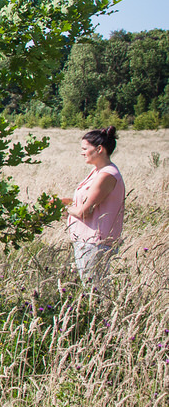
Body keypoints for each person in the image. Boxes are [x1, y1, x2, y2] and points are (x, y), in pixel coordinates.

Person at [63, 126, 126, 294]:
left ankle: (101, 318)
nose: (82, 153)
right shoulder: (96, 172)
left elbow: (85, 211)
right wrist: (64, 202)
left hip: (94, 242)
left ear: (99, 149)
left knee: (95, 291)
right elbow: (86, 202)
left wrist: (67, 209)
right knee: (93, 288)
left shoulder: (107, 175)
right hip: (86, 240)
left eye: (85, 149)